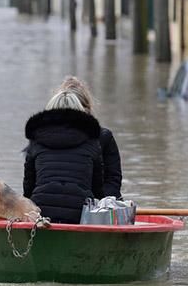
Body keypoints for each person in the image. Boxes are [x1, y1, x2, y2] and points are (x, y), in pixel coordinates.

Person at [22, 76, 123, 224]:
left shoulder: (36, 139)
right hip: (81, 212)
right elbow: (102, 184)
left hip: (41, 211)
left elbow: (28, 185)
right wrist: (100, 209)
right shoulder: (92, 141)